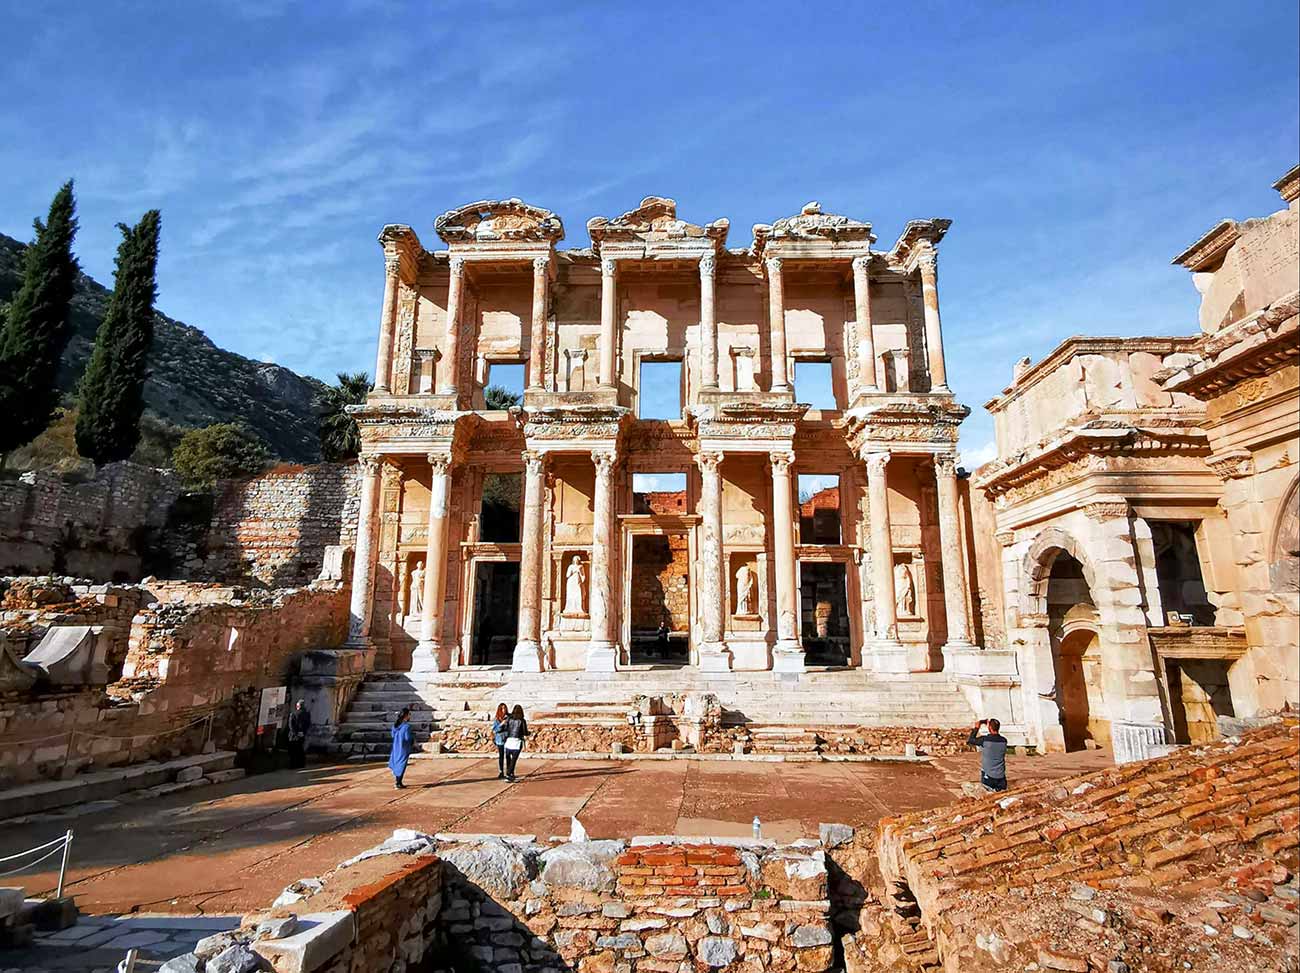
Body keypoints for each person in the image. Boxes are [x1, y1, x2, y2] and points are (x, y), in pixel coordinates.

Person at [967, 718, 1009, 792]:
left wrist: (977, 727)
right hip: (1001, 778)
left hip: (989, 778)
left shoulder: (985, 740)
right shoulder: (1004, 741)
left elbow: (970, 740)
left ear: (989, 727)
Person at [389, 706, 415, 789]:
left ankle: (398, 781)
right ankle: (398, 782)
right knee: (402, 764)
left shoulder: (395, 725)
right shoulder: (406, 726)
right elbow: (407, 738)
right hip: (403, 748)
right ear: (406, 715)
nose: (410, 716)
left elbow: (392, 735)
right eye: (409, 714)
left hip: (396, 746)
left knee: (397, 762)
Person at [503, 704, 529, 782]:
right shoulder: (522, 720)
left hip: (509, 740)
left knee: (508, 758)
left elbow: (506, 728)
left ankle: (510, 774)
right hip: (517, 740)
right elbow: (524, 732)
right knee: (514, 759)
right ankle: (509, 773)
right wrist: (529, 733)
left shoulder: (509, 719)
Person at [287, 699, 312, 769]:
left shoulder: (293, 714)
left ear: (298, 706)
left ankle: (293, 765)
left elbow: (291, 725)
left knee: (293, 751)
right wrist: (303, 732)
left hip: (293, 735)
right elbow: (308, 724)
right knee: (300, 750)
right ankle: (301, 764)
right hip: (302, 735)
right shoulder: (307, 714)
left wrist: (296, 733)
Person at [491, 703, 510, 780]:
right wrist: (501, 724)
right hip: (500, 739)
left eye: (505, 708)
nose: (504, 710)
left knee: (508, 756)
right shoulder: (497, 719)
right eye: (502, 708)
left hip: (508, 738)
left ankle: (509, 771)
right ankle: (501, 771)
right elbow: (495, 730)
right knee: (501, 756)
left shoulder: (508, 717)